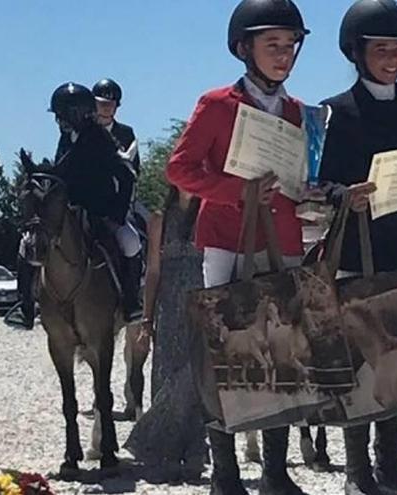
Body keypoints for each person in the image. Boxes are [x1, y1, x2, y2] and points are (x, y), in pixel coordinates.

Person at [165, 1, 311, 493]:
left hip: (283, 238)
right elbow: (179, 169)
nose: (283, 55)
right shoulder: (216, 105)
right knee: (223, 351)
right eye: (273, 45)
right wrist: (236, 191)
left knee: (282, 352)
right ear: (244, 48)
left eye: (289, 45)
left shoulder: (297, 111)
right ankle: (224, 471)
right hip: (227, 239)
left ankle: (275, 469)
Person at [317, 1, 397, 493]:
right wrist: (345, 195)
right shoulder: (334, 113)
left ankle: (389, 465)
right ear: (357, 53)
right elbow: (319, 183)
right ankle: (356, 471)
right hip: (354, 256)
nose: (392, 59)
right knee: (359, 365)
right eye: (381, 49)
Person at [124, 186, 207, 482]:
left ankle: (196, 447)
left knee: (196, 377)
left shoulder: (209, 213)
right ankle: (166, 451)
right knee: (168, 375)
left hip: (201, 303)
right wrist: (146, 318)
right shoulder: (159, 219)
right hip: (169, 305)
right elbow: (154, 271)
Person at [47, 82, 143, 322]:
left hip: (102, 210)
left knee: (131, 243)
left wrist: (119, 214)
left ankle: (131, 301)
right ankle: (26, 303)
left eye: (62, 116)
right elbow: (60, 172)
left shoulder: (99, 136)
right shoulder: (66, 137)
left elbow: (126, 175)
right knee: (30, 241)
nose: (58, 121)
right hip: (70, 210)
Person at [93, 78, 141, 176]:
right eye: (102, 104)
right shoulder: (82, 132)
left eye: (110, 104)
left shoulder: (126, 133)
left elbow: (135, 168)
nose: (106, 108)